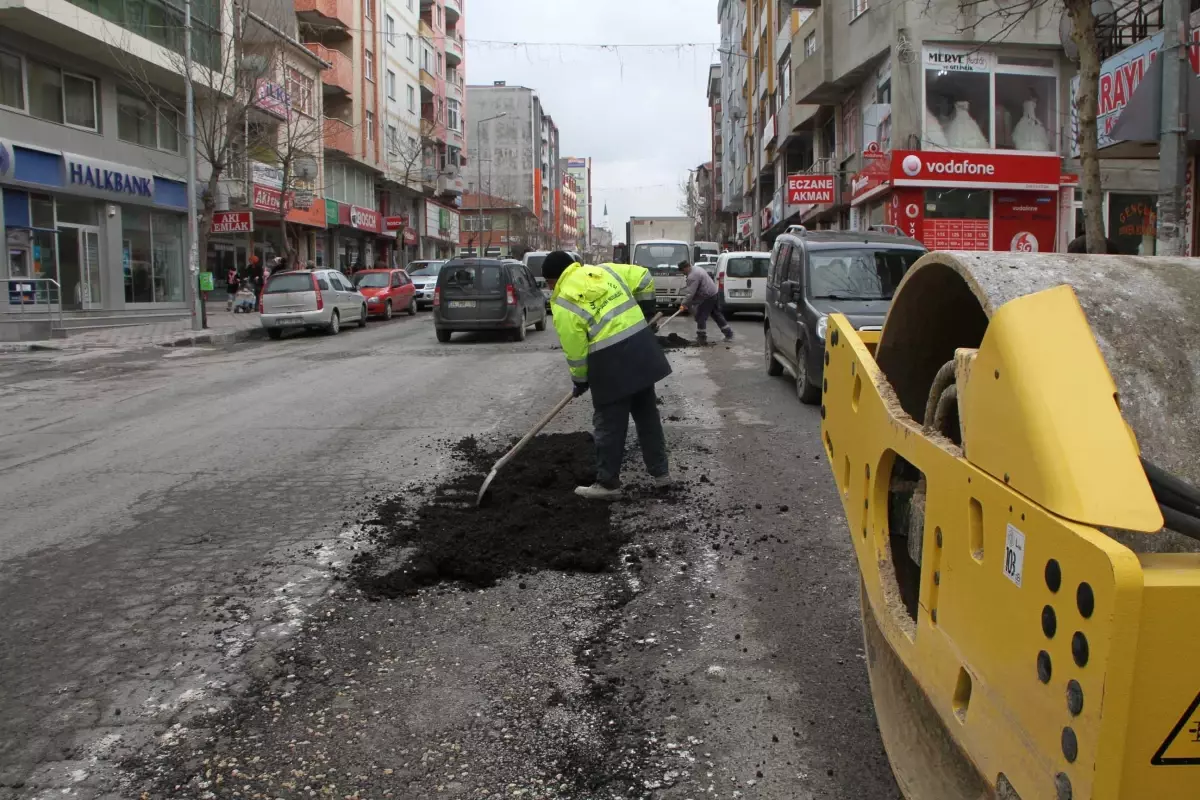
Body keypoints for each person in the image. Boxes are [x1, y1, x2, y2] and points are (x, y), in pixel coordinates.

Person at [542, 250, 672, 500]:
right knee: (647, 417)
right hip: (641, 349)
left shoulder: (563, 299)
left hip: (611, 363)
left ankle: (608, 484)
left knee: (609, 425)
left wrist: (580, 379)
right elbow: (644, 276)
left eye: (548, 283)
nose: (549, 288)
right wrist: (646, 312)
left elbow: (576, 349)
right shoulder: (605, 271)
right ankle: (661, 474)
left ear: (554, 279)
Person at [677, 260, 733, 344]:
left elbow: (690, 293)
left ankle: (701, 338)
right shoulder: (696, 268)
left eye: (682, 270)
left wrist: (684, 304)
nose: (683, 273)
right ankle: (729, 334)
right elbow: (694, 292)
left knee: (701, 316)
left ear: (686, 267)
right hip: (714, 293)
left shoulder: (693, 276)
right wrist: (689, 303)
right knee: (716, 314)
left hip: (707, 296)